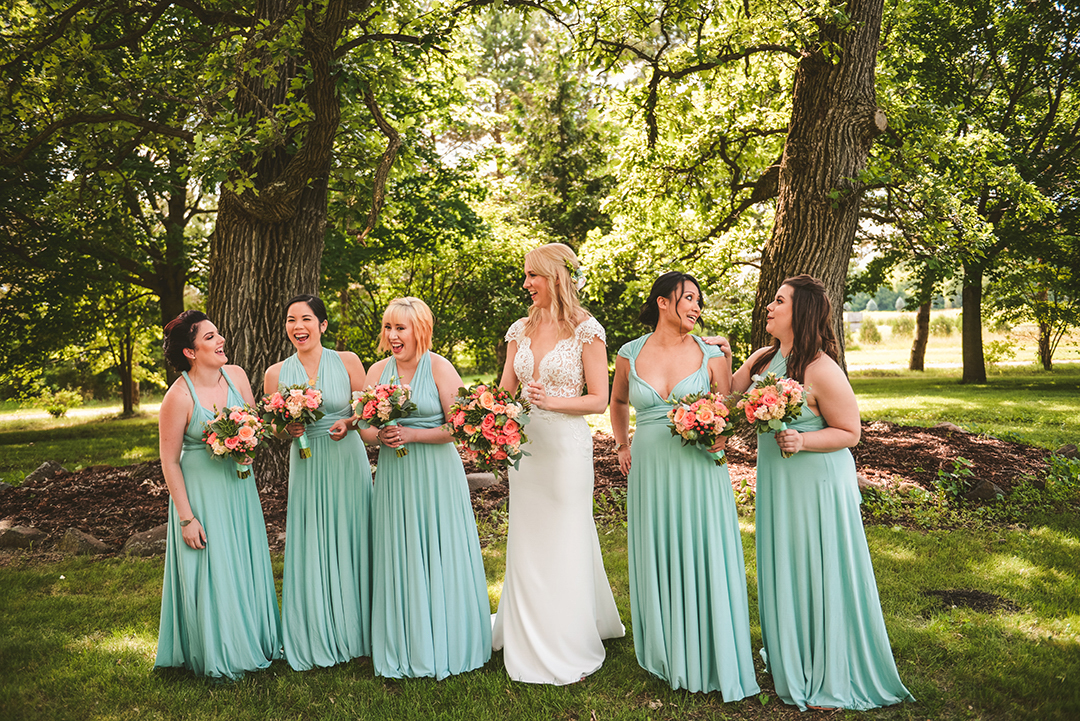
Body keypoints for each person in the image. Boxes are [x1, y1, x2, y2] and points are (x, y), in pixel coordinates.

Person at [729, 275, 914, 711]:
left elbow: (851, 433)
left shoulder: (821, 368)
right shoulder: (764, 359)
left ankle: (829, 668)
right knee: (785, 563)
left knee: (818, 566)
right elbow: (730, 394)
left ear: (802, 312)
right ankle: (792, 658)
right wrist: (720, 355)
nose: (769, 307)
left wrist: (803, 440)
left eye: (779, 301)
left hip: (817, 483)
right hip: (779, 481)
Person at [610, 272, 759, 698]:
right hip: (650, 466)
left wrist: (716, 438)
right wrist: (622, 444)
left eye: (699, 301)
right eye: (689, 298)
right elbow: (618, 401)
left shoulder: (710, 352)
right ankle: (667, 648)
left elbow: (727, 409)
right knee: (658, 548)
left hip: (699, 465)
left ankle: (709, 647)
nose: (697, 307)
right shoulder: (629, 352)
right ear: (662, 301)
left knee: (701, 547)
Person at [493, 243, 625, 685]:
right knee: (529, 537)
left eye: (534, 275)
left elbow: (599, 398)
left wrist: (552, 400)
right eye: (526, 275)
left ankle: (567, 635)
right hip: (525, 450)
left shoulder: (587, 329)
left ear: (557, 278)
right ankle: (526, 629)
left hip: (566, 449)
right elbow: (504, 391)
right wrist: (505, 411)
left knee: (566, 533)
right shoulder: (519, 329)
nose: (526, 283)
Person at [359, 297, 491, 679]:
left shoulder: (439, 367)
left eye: (401, 328)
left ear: (420, 330)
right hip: (394, 479)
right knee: (399, 550)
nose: (393, 335)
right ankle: (406, 642)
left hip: (436, 475)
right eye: (388, 327)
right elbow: (363, 427)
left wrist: (413, 434)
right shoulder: (377, 371)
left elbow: (460, 426)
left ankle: (448, 641)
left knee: (439, 547)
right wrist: (378, 434)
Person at [155, 310, 282, 679]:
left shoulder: (237, 375)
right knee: (214, 569)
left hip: (239, 486)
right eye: (209, 337)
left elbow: (255, 425)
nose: (220, 340)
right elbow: (169, 462)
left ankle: (256, 640)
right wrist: (186, 518)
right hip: (202, 493)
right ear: (190, 352)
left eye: (217, 334)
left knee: (244, 561)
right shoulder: (178, 397)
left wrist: (249, 439)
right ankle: (220, 651)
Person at [263, 295, 372, 671]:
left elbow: (366, 407)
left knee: (354, 533)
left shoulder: (348, 361)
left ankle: (361, 631)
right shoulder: (275, 373)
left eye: (306, 318)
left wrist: (351, 422)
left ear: (322, 325)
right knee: (314, 537)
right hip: (307, 462)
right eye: (291, 319)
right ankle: (318, 627)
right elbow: (272, 428)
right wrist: (286, 428)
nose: (298, 326)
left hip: (346, 455)